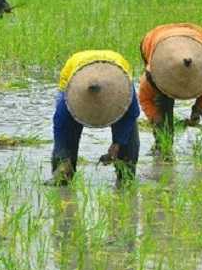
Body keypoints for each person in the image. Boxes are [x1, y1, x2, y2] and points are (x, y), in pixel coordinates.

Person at [49, 50, 140, 186]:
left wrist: (118, 143)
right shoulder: (69, 97)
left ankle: (126, 177)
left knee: (127, 162)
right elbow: (61, 127)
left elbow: (131, 114)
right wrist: (63, 157)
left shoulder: (123, 88)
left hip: (116, 68)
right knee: (64, 161)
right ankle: (63, 178)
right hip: (75, 70)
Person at [138, 23, 202, 157]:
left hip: (194, 33)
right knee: (162, 114)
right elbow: (144, 99)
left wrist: (198, 109)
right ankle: (162, 150)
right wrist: (156, 118)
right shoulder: (154, 74)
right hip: (155, 39)